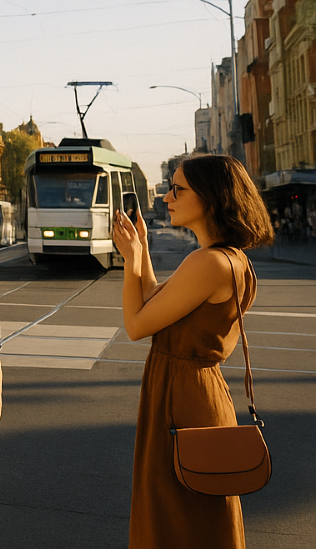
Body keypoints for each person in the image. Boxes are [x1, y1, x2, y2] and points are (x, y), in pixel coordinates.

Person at [113, 155, 272, 549]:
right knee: (194, 515)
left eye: (177, 189)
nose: (167, 196)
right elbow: (154, 299)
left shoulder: (207, 263)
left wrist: (131, 261)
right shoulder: (230, 259)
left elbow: (136, 324)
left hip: (181, 397)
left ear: (211, 199)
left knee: (177, 518)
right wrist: (143, 250)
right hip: (195, 392)